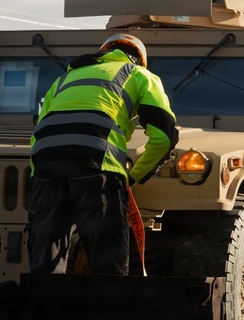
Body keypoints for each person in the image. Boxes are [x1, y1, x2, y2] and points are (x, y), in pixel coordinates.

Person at [28, 33, 178, 275]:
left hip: (46, 164)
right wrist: (133, 177)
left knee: (46, 260)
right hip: (97, 163)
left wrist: (40, 175)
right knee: (108, 260)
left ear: (103, 52)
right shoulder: (138, 74)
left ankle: (45, 309)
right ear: (139, 59)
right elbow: (163, 137)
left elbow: (37, 135)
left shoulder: (63, 79)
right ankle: (109, 309)